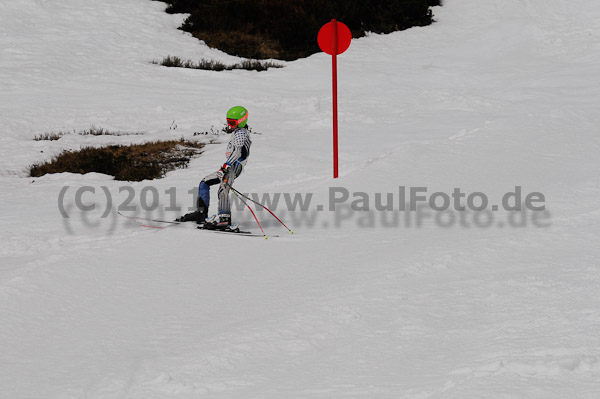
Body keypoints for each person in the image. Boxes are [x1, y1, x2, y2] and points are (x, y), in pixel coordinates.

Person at [177, 106, 252, 229]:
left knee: (223, 188)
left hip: (234, 166)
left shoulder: (241, 133)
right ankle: (201, 213)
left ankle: (224, 219)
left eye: (232, 122)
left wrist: (226, 167)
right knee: (204, 182)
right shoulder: (238, 132)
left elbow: (238, 152)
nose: (230, 125)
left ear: (241, 121)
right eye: (228, 122)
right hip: (229, 166)